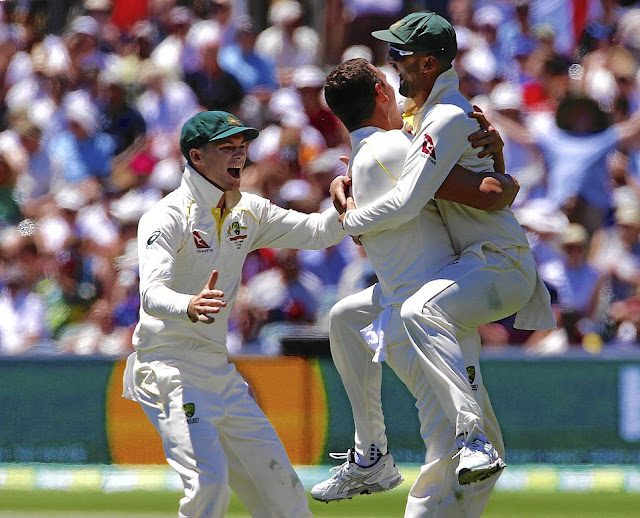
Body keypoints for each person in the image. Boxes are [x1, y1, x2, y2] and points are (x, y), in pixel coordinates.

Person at [338, 12, 555, 487]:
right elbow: (488, 186)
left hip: (500, 264)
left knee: (419, 311)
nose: (393, 63)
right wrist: (348, 182)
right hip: (466, 265)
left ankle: (470, 438)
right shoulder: (417, 115)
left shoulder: (446, 115)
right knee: (344, 318)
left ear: (431, 63)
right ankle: (369, 453)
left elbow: (416, 198)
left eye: (402, 56)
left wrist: (349, 217)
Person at [312, 57, 516, 515]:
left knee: (344, 316)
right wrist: (503, 170)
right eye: (390, 84)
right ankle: (372, 456)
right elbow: (485, 193)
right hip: (429, 326)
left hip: (403, 309)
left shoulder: (368, 156)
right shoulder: (390, 150)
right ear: (381, 93)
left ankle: (371, 453)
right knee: (445, 478)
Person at [121, 110, 349, 518]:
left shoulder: (248, 211)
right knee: (209, 486)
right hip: (168, 369)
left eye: (242, 147)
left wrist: (349, 195)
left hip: (219, 372)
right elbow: (151, 294)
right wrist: (188, 304)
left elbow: (320, 232)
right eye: (226, 147)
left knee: (284, 492)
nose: (239, 155)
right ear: (196, 156)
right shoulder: (167, 216)